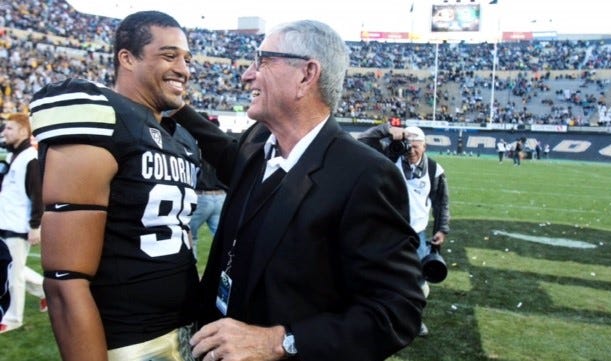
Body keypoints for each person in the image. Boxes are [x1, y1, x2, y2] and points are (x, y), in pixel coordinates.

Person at [172, 20, 425, 361]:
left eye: (262, 61)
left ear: (306, 75)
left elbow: (396, 312)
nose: (248, 75)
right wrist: (177, 108)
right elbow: (230, 157)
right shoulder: (257, 140)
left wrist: (281, 341)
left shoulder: (364, 175)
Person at [29, 11, 200, 360]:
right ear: (127, 57)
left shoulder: (183, 139)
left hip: (187, 330)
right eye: (169, 55)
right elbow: (65, 280)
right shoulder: (99, 115)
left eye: (186, 58)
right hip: (130, 341)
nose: (183, 68)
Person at [357, 123, 450, 337]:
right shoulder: (390, 159)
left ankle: (413, 319)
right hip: (386, 231)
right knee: (377, 276)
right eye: (408, 145)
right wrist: (388, 129)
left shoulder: (435, 170)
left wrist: (442, 229)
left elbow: (441, 203)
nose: (411, 150)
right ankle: (376, 317)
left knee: (417, 281)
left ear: (425, 146)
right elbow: (363, 142)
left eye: (416, 146)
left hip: (416, 234)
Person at [0, 112, 46, 333]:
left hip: (18, 225)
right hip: (5, 221)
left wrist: (35, 226)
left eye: (9, 128)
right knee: (13, 268)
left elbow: (38, 196)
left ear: (22, 131)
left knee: (13, 274)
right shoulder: (13, 156)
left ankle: (13, 318)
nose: (4, 132)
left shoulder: (30, 158)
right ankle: (45, 290)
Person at [189, 114, 227, 260]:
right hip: (221, 197)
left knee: (190, 236)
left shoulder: (195, 146)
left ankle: (191, 277)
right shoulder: (225, 147)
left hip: (202, 197)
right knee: (225, 239)